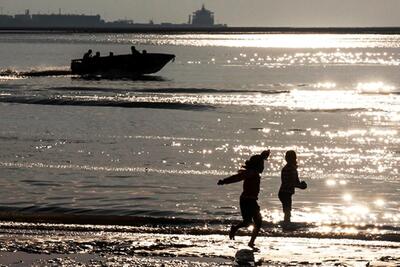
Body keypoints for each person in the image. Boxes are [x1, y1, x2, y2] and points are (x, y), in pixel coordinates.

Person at [217, 150, 270, 248]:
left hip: (251, 200)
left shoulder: (255, 173)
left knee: (249, 222)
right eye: (262, 165)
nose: (263, 167)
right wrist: (224, 181)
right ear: (257, 165)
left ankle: (240, 233)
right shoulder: (251, 173)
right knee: (256, 222)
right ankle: (249, 241)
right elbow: (237, 177)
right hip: (247, 201)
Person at [278, 150, 307, 225]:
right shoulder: (290, 169)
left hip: (285, 192)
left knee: (287, 211)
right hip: (285, 193)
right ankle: (286, 225)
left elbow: (295, 182)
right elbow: (291, 183)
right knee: (287, 211)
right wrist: (301, 186)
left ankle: (286, 224)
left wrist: (301, 185)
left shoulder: (290, 168)